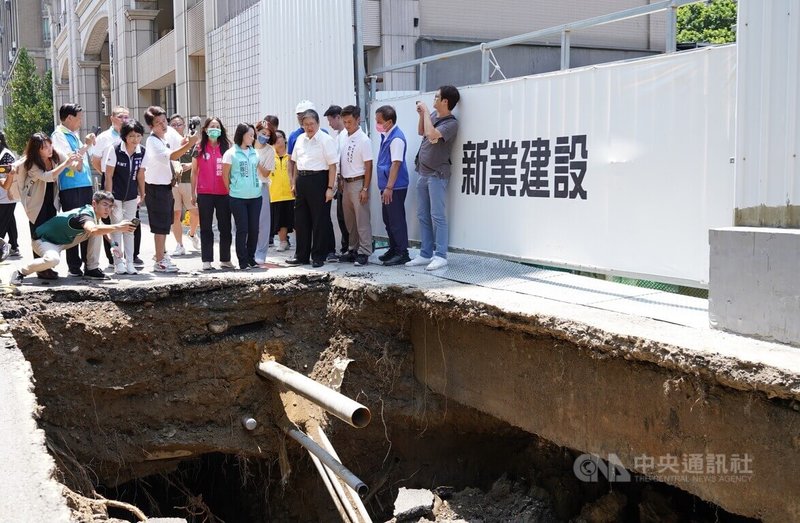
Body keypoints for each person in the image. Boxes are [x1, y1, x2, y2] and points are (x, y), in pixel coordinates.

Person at [9, 191, 135, 286]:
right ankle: (20, 272)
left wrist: (113, 244)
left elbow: (99, 227)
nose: (108, 209)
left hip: (63, 241)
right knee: (53, 260)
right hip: (44, 241)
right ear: (94, 204)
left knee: (98, 230)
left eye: (110, 206)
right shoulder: (85, 215)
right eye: (105, 205)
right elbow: (93, 229)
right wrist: (118, 227)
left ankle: (91, 269)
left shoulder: (95, 214)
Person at [7, 133, 79, 279]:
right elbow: (47, 176)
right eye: (44, 147)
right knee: (38, 234)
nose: (49, 149)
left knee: (49, 233)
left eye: (49, 145)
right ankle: (40, 269)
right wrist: (65, 165)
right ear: (37, 150)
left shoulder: (55, 155)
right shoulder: (32, 163)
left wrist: (81, 153)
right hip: (35, 203)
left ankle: (47, 266)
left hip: (51, 200)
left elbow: (72, 163)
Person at [407, 85, 461, 271]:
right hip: (423, 172)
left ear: (445, 101)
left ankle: (441, 255)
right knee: (422, 214)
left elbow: (432, 135)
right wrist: (423, 115)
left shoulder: (451, 123)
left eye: (437, 97)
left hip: (437, 174)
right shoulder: (433, 117)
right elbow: (422, 131)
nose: (434, 99)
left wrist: (427, 111)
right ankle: (425, 253)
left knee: (437, 215)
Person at [141, 105, 198, 273]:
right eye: (158, 123)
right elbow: (173, 155)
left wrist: (188, 139)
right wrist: (191, 144)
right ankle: (159, 260)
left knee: (165, 224)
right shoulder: (152, 141)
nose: (163, 125)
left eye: (164, 121)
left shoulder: (166, 135)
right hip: (155, 187)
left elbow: (180, 142)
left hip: (166, 186)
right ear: (151, 126)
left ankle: (161, 255)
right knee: (160, 226)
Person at [51, 103, 97, 277]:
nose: (81, 121)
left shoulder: (73, 135)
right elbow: (72, 160)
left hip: (83, 185)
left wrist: (88, 144)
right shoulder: (58, 136)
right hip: (71, 187)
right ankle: (74, 266)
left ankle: (89, 264)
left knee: (88, 223)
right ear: (69, 118)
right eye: (79, 117)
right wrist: (86, 145)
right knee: (73, 224)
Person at [286, 109, 337, 268]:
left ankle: (318, 255)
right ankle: (301, 255)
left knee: (319, 220)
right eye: (306, 124)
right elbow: (294, 162)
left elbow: (332, 166)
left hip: (319, 179)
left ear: (318, 123)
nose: (309, 127)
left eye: (312, 124)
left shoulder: (326, 140)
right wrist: (293, 182)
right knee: (301, 220)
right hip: (302, 180)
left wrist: (330, 187)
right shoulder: (300, 139)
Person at [191, 117, 233, 271]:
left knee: (225, 227)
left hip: (224, 193)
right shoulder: (199, 147)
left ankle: (225, 259)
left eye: (217, 126)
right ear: (206, 129)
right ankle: (207, 260)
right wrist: (193, 193)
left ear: (221, 129)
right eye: (211, 126)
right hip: (204, 193)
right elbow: (194, 172)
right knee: (206, 228)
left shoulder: (227, 147)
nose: (214, 129)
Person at [91, 105, 131, 269]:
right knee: (109, 217)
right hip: (110, 177)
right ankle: (113, 257)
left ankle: (131, 256)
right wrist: (104, 171)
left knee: (128, 216)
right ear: (112, 118)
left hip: (127, 180)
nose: (124, 120)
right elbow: (95, 159)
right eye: (121, 116)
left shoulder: (130, 134)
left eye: (126, 117)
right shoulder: (104, 137)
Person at [104, 119, 145, 275]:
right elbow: (108, 175)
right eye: (131, 136)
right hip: (116, 196)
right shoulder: (114, 150)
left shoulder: (142, 151)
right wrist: (109, 198)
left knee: (130, 229)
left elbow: (141, 175)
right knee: (117, 228)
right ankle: (117, 262)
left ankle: (130, 262)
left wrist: (143, 193)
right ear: (124, 136)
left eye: (138, 136)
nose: (135, 140)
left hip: (132, 196)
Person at [374, 105, 411, 266]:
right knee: (388, 220)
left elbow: (396, 164)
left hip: (394, 187)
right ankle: (394, 248)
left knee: (396, 220)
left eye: (379, 121)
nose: (377, 124)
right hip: (387, 186)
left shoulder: (396, 138)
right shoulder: (387, 135)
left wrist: (389, 187)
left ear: (389, 122)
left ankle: (402, 252)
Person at [337, 105, 373, 266]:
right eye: (344, 122)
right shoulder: (343, 136)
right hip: (345, 181)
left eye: (350, 122)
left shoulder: (364, 139)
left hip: (358, 181)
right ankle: (353, 248)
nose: (347, 125)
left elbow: (368, 165)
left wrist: (365, 188)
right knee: (349, 219)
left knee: (362, 219)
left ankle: (364, 251)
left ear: (358, 119)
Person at [223, 123, 261, 270]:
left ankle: (251, 258)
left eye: (253, 135)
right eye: (249, 135)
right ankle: (242, 261)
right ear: (241, 135)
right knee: (242, 229)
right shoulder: (231, 153)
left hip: (256, 197)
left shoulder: (255, 153)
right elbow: (225, 175)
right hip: (238, 197)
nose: (252, 138)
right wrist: (232, 190)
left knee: (254, 229)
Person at [168, 114, 200, 255]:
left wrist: (188, 165)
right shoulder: (166, 141)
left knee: (195, 212)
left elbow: (199, 161)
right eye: (173, 124)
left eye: (179, 124)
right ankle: (179, 244)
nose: (176, 127)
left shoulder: (191, 140)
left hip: (189, 182)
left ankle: (192, 233)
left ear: (184, 125)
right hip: (172, 182)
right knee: (175, 214)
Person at [323, 104, 349, 257]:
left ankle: (350, 247)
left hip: (346, 180)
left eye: (330, 120)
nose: (329, 124)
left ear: (338, 117)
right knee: (341, 216)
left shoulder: (347, 134)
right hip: (339, 181)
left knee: (347, 218)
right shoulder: (338, 136)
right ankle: (345, 247)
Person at [253, 119, 276, 264]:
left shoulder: (269, 150)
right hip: (246, 187)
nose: (265, 136)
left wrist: (256, 161)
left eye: (268, 134)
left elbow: (266, 173)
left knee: (263, 221)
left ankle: (261, 252)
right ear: (256, 132)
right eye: (263, 133)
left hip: (262, 186)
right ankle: (249, 250)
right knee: (249, 222)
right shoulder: (247, 146)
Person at [269, 130, 294, 252]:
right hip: (276, 194)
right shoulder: (269, 157)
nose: (278, 140)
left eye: (280, 137)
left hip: (292, 194)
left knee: (296, 220)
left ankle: (301, 243)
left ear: (285, 139)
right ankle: (283, 242)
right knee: (280, 221)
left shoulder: (291, 156)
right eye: (275, 137)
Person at [0, 130, 18, 260]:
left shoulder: (6, 155)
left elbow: (8, 179)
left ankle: (7, 247)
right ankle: (14, 246)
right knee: (9, 220)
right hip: (3, 197)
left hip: (6, 197)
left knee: (2, 226)